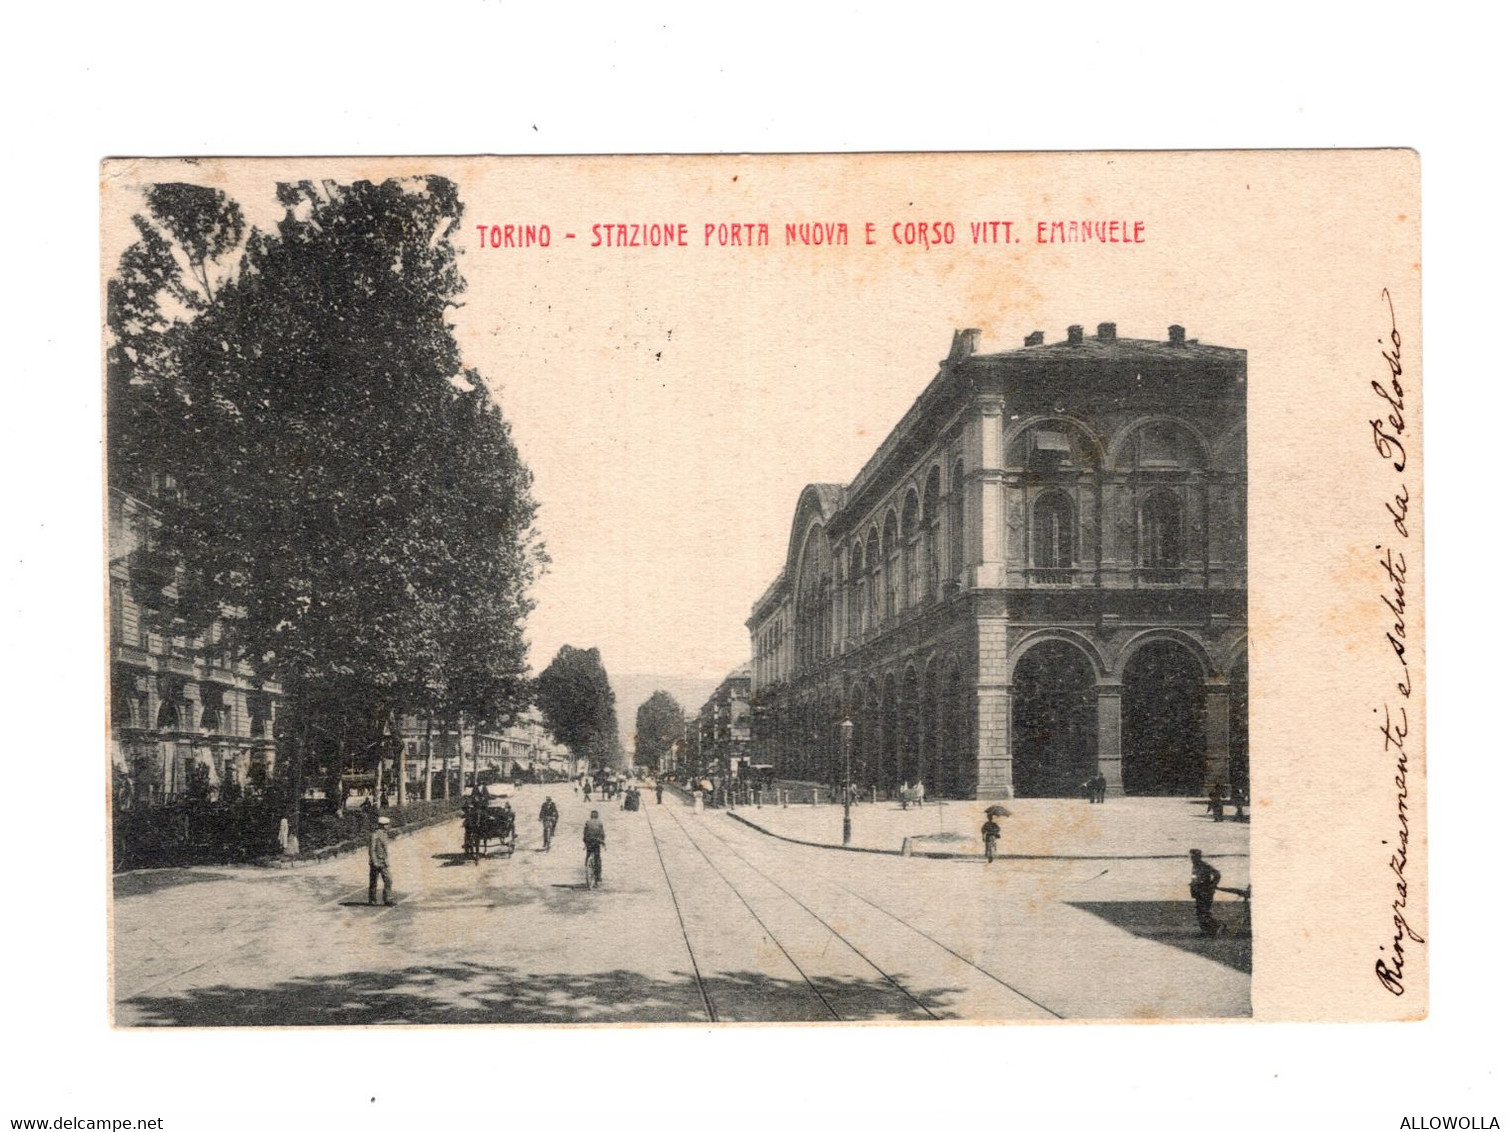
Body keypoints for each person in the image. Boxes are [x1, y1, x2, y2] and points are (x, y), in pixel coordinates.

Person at [1189, 849, 1222, 936]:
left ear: (1199, 856)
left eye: (1194, 857)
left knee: (1204, 912)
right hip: (1199, 892)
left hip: (1205, 892)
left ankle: (1215, 928)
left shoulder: (1204, 865)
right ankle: (1207, 930)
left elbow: (1217, 874)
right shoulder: (1196, 866)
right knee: (1200, 911)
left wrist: (1212, 885)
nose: (1192, 859)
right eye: (1191, 857)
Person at [368, 816, 395, 906]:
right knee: (373, 881)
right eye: (387, 825)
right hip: (376, 862)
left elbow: (384, 849)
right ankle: (372, 899)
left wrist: (386, 860)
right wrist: (375, 861)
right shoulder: (374, 835)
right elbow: (371, 850)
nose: (388, 826)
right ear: (382, 825)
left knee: (388, 880)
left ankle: (388, 899)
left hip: (383, 862)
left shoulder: (384, 834)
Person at [583, 809, 607, 888]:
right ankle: (597, 878)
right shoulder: (599, 823)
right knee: (597, 859)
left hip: (589, 842)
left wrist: (585, 841)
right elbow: (602, 833)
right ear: (597, 816)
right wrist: (602, 841)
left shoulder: (587, 822)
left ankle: (587, 864)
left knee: (588, 855)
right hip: (596, 842)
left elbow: (585, 833)